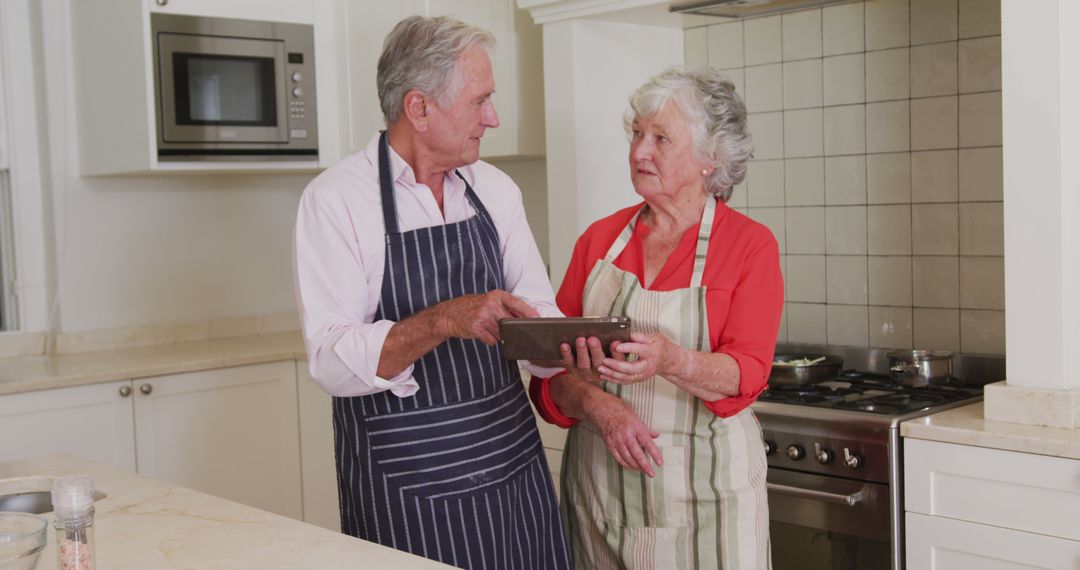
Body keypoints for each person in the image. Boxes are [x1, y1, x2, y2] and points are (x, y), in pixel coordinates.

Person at [293, 15, 570, 570]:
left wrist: (567, 348)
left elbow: (537, 313)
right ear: (419, 108)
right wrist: (443, 320)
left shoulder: (494, 189)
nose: (492, 119)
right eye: (479, 101)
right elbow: (331, 360)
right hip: (407, 483)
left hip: (511, 461)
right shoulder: (336, 201)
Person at [529, 66, 783, 569]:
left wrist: (671, 359)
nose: (639, 151)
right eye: (637, 134)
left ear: (711, 159)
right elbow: (546, 374)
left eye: (661, 138)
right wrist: (597, 405)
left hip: (707, 504)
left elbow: (746, 374)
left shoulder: (750, 246)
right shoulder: (599, 241)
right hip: (599, 498)